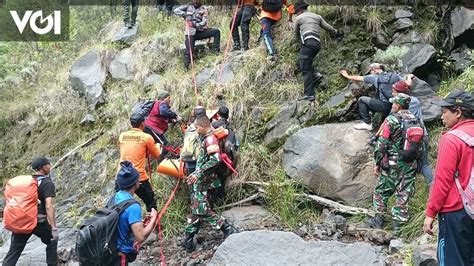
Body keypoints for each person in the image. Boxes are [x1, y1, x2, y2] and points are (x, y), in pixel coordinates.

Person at [423, 90, 474, 265]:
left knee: (453, 260)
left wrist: (430, 212)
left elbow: (442, 181)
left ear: (458, 112)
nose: (441, 117)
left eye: (445, 112)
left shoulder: (451, 139)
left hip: (456, 210)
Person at [365, 93, 418, 235]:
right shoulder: (415, 120)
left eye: (394, 103)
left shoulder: (392, 120)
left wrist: (378, 162)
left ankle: (378, 221)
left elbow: (382, 144)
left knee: (381, 192)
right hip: (410, 164)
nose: (392, 105)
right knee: (403, 193)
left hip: (393, 164)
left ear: (399, 105)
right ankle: (398, 229)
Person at [183, 115, 237, 252]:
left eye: (197, 128)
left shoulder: (210, 139)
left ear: (202, 126)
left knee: (201, 209)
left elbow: (215, 159)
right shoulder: (205, 138)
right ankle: (188, 240)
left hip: (203, 181)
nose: (196, 130)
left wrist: (198, 172)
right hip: (201, 180)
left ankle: (226, 227)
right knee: (196, 208)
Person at [3, 157, 58, 266]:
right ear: (43, 167)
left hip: (23, 219)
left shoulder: (28, 182)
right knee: (52, 240)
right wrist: (54, 227)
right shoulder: (47, 183)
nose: (50, 167)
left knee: (14, 251)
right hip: (39, 222)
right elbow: (48, 206)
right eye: (48, 165)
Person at [293, 1, 341, 102]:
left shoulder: (298, 18)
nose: (296, 14)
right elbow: (328, 27)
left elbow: (295, 34)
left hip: (307, 43)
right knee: (301, 63)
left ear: (300, 10)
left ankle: (309, 94)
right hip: (317, 45)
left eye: (296, 12)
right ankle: (315, 75)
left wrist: (299, 43)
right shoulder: (317, 16)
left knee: (305, 69)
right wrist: (336, 32)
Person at [113, 161, 158, 266]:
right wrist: (153, 218)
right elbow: (141, 237)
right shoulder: (133, 206)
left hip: (110, 249)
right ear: (135, 183)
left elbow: (121, 220)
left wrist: (140, 221)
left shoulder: (116, 196)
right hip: (120, 255)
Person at [391, 76, 434, 185]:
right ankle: (433, 187)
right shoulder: (413, 100)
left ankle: (404, 191)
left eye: (394, 92)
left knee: (405, 163)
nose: (392, 94)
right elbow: (407, 85)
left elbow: (391, 121)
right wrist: (409, 77)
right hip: (422, 134)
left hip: (409, 139)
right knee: (425, 164)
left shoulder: (400, 107)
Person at [118, 113, 161, 212]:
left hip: (121, 176)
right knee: (150, 201)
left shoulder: (122, 135)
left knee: (122, 205)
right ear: (142, 124)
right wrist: (157, 147)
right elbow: (157, 155)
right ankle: (154, 224)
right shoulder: (146, 137)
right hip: (138, 177)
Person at [340, 63, 401, 131]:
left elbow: (358, 78)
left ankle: (367, 123)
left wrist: (347, 76)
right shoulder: (394, 75)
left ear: (374, 70)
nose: (370, 73)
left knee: (362, 100)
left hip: (385, 106)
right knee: (375, 98)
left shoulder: (375, 77)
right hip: (397, 105)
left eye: (370, 71)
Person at [174, 0, 221, 69]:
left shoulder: (203, 9)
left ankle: (216, 51)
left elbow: (204, 21)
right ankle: (186, 68)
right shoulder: (187, 6)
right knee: (189, 52)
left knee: (216, 31)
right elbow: (176, 10)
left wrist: (195, 24)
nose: (196, 1)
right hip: (190, 33)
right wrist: (184, 15)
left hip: (200, 32)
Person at [144, 90, 181, 154]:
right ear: (164, 98)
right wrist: (175, 116)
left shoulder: (158, 104)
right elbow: (164, 112)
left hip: (150, 127)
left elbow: (161, 116)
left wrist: (171, 120)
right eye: (168, 98)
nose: (170, 100)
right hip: (152, 127)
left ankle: (156, 158)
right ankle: (162, 160)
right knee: (164, 143)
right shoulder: (162, 103)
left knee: (157, 145)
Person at [181, 106, 207, 176]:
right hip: (200, 161)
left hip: (189, 160)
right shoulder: (202, 127)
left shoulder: (190, 128)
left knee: (191, 181)